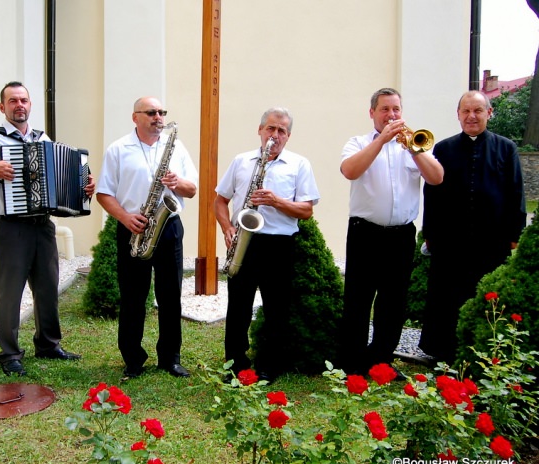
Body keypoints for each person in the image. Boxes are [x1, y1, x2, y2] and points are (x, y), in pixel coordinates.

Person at [0, 81, 94, 376]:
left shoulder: (43, 138)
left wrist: (85, 183)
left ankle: (48, 344)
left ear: (30, 104)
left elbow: (64, 176)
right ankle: (10, 353)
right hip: (11, 228)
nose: (19, 105)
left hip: (43, 226)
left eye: (23, 100)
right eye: (12, 101)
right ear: (2, 107)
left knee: (48, 287)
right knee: (9, 292)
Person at [338, 87, 444, 376]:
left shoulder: (415, 144)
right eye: (385, 109)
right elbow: (350, 170)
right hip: (364, 233)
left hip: (401, 235)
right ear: (372, 112)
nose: (391, 114)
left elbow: (436, 178)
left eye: (396, 109)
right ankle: (354, 363)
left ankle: (381, 361)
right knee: (358, 299)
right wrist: (381, 141)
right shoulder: (357, 142)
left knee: (393, 302)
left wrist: (413, 149)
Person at [214, 107, 320, 383]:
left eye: (281, 130)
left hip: (280, 245)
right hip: (245, 242)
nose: (275, 135)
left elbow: (306, 210)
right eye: (270, 128)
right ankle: (235, 364)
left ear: (288, 136)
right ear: (260, 130)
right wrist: (227, 227)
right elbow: (219, 201)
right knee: (238, 307)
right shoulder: (241, 161)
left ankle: (268, 366)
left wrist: (277, 202)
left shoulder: (299, 164)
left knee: (276, 309)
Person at [419, 91, 526, 363]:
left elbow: (516, 192)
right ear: (458, 115)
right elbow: (431, 193)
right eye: (466, 111)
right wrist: (430, 233)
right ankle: (442, 353)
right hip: (450, 240)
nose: (471, 116)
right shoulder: (443, 148)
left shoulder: (506, 148)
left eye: (478, 110)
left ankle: (485, 353)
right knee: (447, 298)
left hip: (491, 240)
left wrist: (515, 235)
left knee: (486, 297)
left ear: (489, 113)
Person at [96, 96, 198, 379]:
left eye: (162, 112)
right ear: (135, 117)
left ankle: (170, 358)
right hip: (134, 227)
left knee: (170, 296)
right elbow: (104, 193)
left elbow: (192, 189)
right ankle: (133, 358)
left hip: (169, 227)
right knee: (133, 297)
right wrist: (125, 218)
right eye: (151, 112)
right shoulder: (118, 149)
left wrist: (178, 183)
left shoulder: (175, 146)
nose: (158, 117)